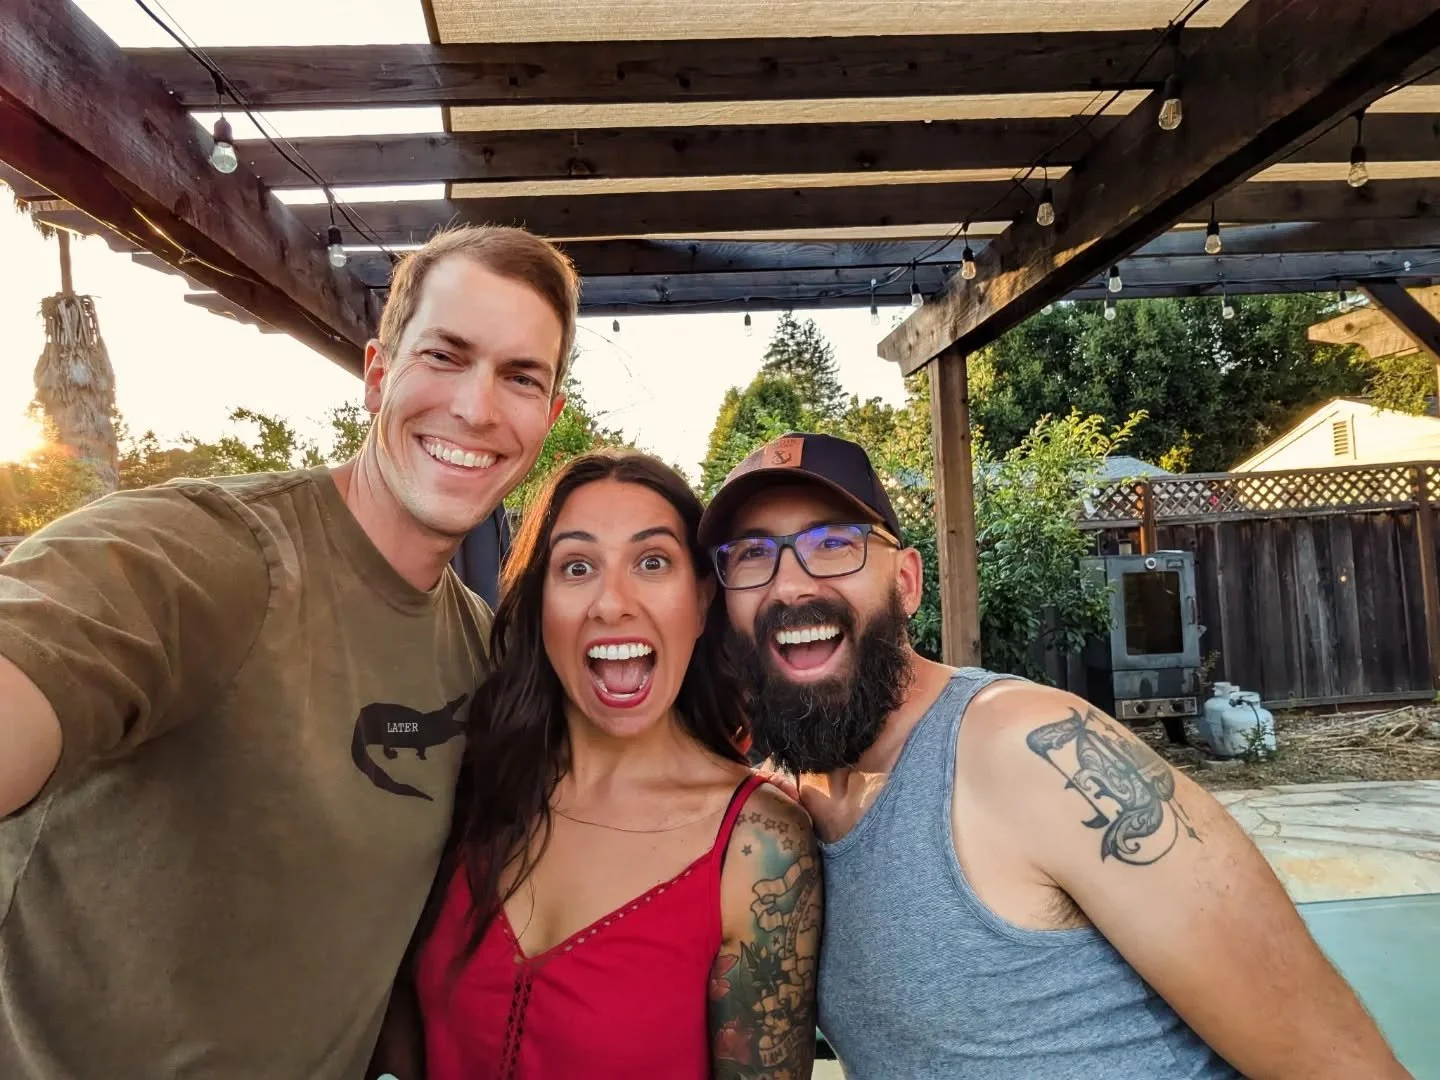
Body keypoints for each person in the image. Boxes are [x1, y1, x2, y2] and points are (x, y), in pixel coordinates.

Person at [0, 225, 577, 1078]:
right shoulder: (209, 553)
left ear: (549, 418)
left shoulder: (482, 654)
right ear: (377, 375)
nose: (478, 407)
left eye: (520, 377)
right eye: (445, 356)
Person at [699, 431, 1408, 1080]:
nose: (789, 585)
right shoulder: (782, 815)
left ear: (907, 582)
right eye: (752, 555)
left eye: (834, 543)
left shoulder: (1031, 748)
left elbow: (1342, 1064)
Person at [401, 450, 820, 1080]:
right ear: (540, 604)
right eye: (577, 567)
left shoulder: (761, 847)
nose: (611, 603)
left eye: (652, 562)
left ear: (701, 600)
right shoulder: (476, 781)